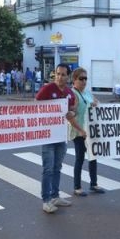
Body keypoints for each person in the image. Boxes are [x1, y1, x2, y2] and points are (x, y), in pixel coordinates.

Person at [35, 63, 84, 213]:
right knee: (48, 169)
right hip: (48, 136)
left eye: (63, 74)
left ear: (68, 76)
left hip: (61, 136)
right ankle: (46, 200)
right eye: (57, 74)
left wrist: (73, 114)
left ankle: (55, 196)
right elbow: (35, 106)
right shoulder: (47, 89)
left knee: (57, 168)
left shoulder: (69, 93)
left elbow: (72, 111)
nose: (60, 77)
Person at [70, 67, 106, 196]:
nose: (84, 81)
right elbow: (71, 113)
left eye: (85, 78)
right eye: (81, 78)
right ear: (74, 80)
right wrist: (80, 130)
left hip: (90, 131)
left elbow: (97, 103)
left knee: (93, 156)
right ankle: (77, 187)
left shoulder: (87, 93)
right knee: (80, 158)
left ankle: (94, 184)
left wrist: (96, 104)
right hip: (79, 131)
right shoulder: (73, 94)